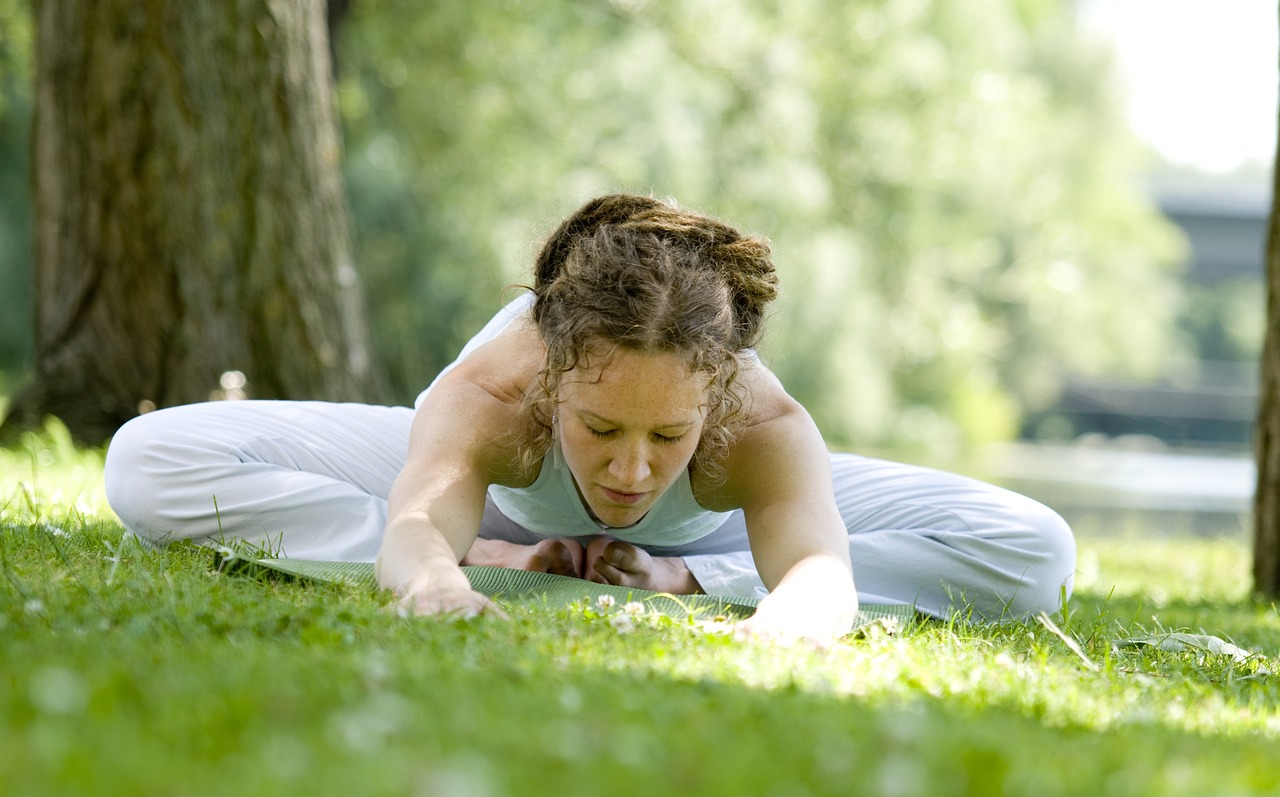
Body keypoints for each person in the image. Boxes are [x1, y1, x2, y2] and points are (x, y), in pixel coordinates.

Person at [105, 193, 1076, 645]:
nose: (629, 469)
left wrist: (772, 619)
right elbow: (412, 519)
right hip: (499, 506)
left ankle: (688, 578)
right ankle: (497, 559)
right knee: (147, 461)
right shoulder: (493, 391)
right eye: (601, 428)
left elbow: (818, 574)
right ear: (554, 383)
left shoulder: (763, 422)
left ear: (714, 400)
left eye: (666, 436)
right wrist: (437, 574)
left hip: (711, 537)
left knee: (1033, 549)